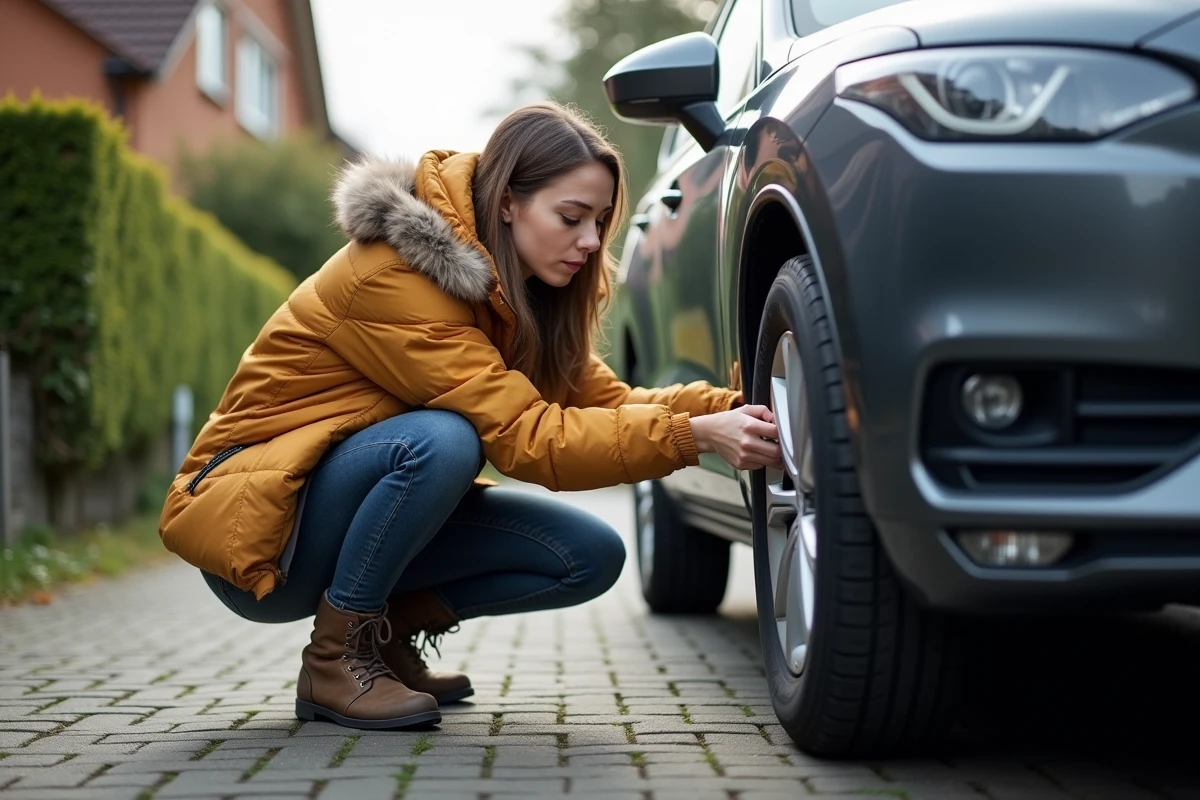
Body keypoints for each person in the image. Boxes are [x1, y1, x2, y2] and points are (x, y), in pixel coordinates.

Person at [159, 102, 783, 731]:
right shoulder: (397, 277)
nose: (592, 242)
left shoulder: (515, 294)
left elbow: (607, 403)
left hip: (341, 510)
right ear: (508, 202)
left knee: (587, 554)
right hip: (262, 532)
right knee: (444, 442)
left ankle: (382, 638)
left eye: (599, 221)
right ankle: (334, 659)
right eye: (571, 218)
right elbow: (529, 439)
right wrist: (691, 437)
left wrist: (729, 409)